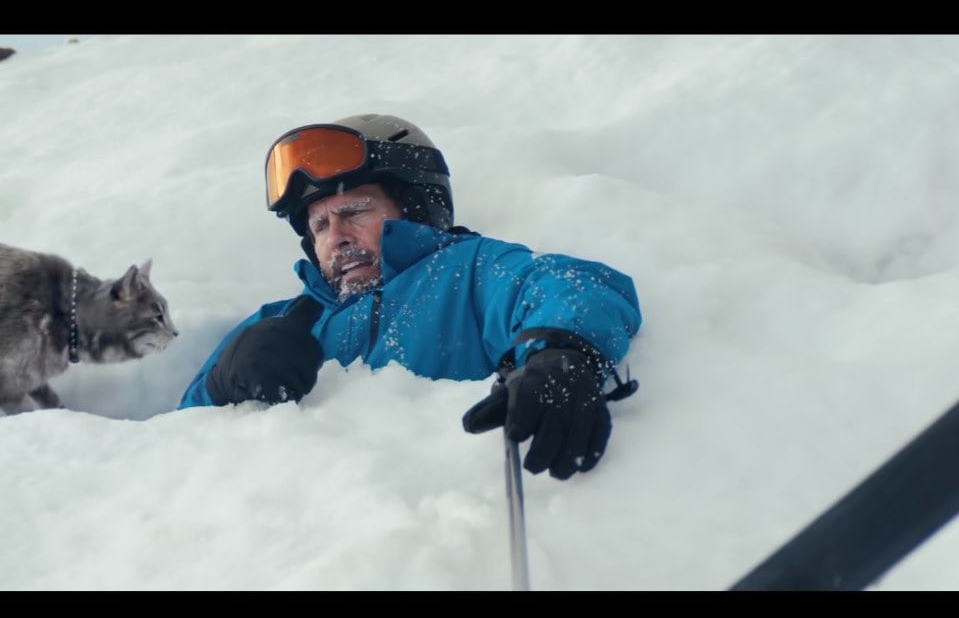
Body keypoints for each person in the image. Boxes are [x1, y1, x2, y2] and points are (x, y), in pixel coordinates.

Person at [178, 114, 643, 480]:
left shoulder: (468, 269)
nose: (336, 237)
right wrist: (222, 381)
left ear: (417, 208)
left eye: (355, 211)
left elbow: (569, 285)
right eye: (320, 226)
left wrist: (562, 354)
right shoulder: (283, 322)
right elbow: (170, 444)